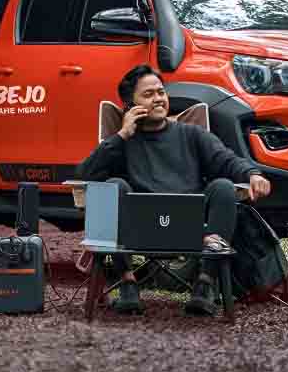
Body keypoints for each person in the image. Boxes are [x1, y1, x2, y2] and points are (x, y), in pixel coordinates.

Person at [76, 64, 272, 316]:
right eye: (148, 95)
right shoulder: (123, 142)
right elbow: (85, 175)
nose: (158, 99)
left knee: (222, 187)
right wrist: (122, 134)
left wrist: (253, 174)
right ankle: (127, 284)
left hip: (192, 229)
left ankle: (204, 285)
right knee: (113, 188)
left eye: (161, 92)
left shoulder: (192, 134)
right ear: (130, 105)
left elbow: (227, 160)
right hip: (139, 228)